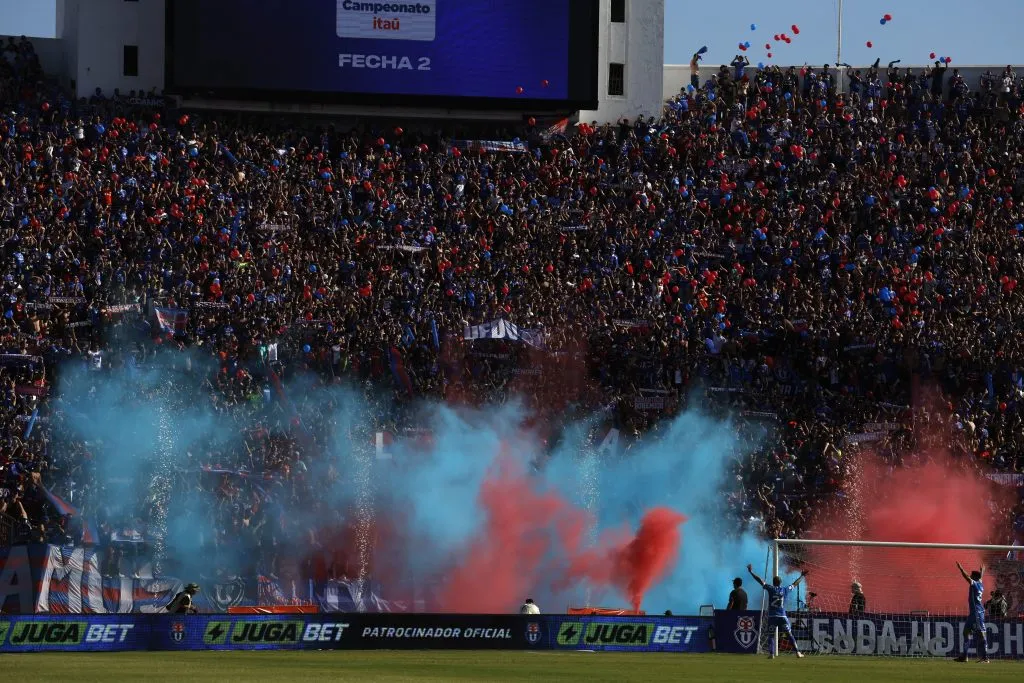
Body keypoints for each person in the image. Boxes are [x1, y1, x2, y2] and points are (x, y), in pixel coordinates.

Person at [747, 564, 806, 658]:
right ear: (780, 582)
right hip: (782, 616)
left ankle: (771, 654)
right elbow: (795, 584)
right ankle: (798, 652)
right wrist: (802, 576)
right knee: (789, 634)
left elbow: (760, 581)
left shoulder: (770, 588)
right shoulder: (785, 590)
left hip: (772, 616)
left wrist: (751, 572)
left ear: (773, 582)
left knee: (771, 635)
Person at [954, 562, 989, 663]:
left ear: (974, 578)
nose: (971, 577)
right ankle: (964, 656)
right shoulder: (980, 583)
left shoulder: (974, 584)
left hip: (978, 613)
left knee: (982, 634)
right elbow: (980, 578)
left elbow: (967, 577)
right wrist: (982, 571)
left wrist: (961, 569)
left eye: (972, 576)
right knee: (966, 632)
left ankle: (985, 658)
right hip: (973, 613)